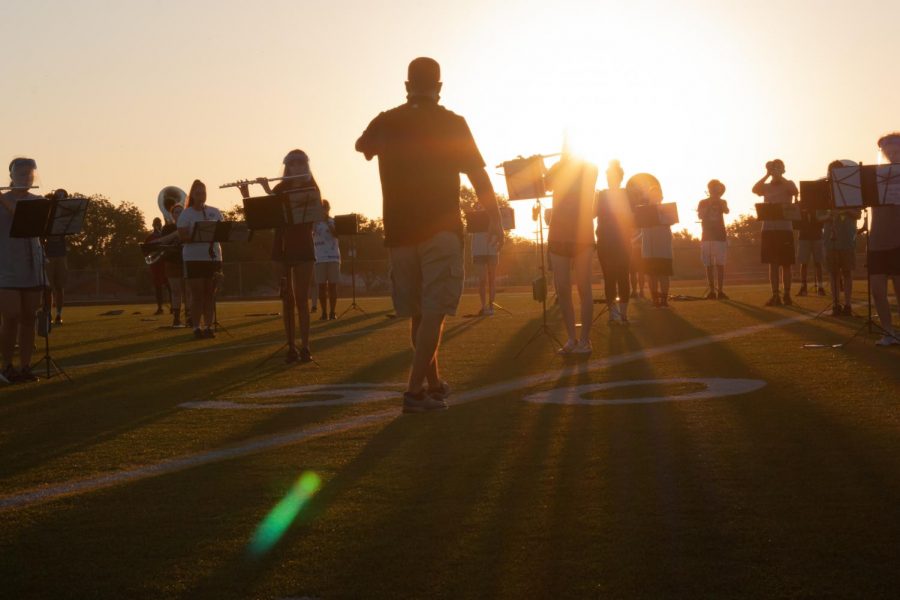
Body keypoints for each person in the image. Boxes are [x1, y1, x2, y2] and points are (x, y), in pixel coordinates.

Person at [356, 56, 503, 413]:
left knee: (419, 314)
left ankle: (433, 383)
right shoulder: (452, 123)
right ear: (439, 87)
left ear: (407, 86)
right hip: (440, 228)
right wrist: (495, 217)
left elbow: (362, 146)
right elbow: (477, 175)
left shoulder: (387, 120)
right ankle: (413, 392)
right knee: (434, 311)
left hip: (400, 230)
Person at [238, 149, 317, 363]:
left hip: (303, 247)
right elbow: (265, 216)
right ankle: (291, 346)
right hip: (281, 247)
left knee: (301, 299)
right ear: (287, 167)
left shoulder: (311, 187)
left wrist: (268, 190)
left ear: (305, 166)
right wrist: (248, 195)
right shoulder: (281, 187)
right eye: (293, 164)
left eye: (301, 163)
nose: (297, 167)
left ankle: (306, 346)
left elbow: (310, 214)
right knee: (287, 299)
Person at [545, 154, 598, 352]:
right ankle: (571, 339)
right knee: (563, 289)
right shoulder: (557, 169)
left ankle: (585, 340)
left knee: (584, 287)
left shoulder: (589, 167)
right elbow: (546, 183)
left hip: (582, 235)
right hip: (558, 235)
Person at [0, 158, 44, 383]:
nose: (26, 177)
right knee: (11, 316)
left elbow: (23, 219)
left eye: (30, 174)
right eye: (22, 173)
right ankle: (7, 366)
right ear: (12, 175)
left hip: (32, 266)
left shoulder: (37, 201)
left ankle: (25, 367)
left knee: (29, 316)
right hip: (6, 267)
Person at [177, 180, 222, 339]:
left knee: (210, 293)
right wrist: (197, 234)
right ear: (192, 195)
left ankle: (209, 326)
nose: (201, 195)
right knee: (197, 294)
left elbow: (222, 233)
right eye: (198, 193)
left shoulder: (215, 212)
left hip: (212, 257)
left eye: (203, 192)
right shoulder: (186, 214)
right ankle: (196, 327)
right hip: (194, 258)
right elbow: (183, 236)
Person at [752, 159, 798, 306]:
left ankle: (787, 295)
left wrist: (780, 176)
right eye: (774, 168)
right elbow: (754, 189)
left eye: (779, 168)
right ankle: (775, 295)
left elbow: (794, 191)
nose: (776, 170)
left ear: (784, 170)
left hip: (785, 229)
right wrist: (767, 174)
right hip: (768, 229)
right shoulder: (766, 186)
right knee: (772, 264)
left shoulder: (788, 183)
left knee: (786, 264)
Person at [870, 133, 900, 346]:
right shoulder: (874, 175)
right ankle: (888, 332)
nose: (890, 152)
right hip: (877, 238)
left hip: (898, 238)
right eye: (886, 150)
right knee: (878, 291)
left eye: (895, 149)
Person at [595, 160, 633, 324]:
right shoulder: (601, 194)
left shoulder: (627, 194)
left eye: (614, 176)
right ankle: (613, 313)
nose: (611, 179)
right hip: (605, 240)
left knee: (624, 277)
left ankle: (623, 313)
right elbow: (592, 214)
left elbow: (633, 216)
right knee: (609, 278)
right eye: (609, 176)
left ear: (620, 177)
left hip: (622, 240)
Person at [635, 175, 673, 307]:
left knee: (663, 274)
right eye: (653, 195)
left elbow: (671, 222)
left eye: (658, 195)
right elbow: (640, 228)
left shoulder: (667, 209)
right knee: (651, 275)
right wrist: (634, 240)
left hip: (663, 247)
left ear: (661, 197)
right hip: (648, 248)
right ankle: (655, 299)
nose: (655, 197)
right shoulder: (643, 210)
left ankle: (664, 299)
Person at [697, 179, 730, 299]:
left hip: (720, 236)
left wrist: (720, 202)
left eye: (718, 188)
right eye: (714, 188)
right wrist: (710, 203)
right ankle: (712, 291)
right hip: (707, 236)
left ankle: (720, 291)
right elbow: (700, 215)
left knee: (720, 264)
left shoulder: (722, 201)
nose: (716, 190)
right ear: (710, 189)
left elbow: (727, 211)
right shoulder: (703, 202)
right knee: (709, 265)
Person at [313, 199, 341, 321]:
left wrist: (328, 223)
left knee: (333, 286)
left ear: (328, 208)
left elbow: (337, 234)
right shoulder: (314, 223)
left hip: (333, 257)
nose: (323, 210)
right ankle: (324, 312)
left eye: (325, 207)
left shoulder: (333, 221)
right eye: (321, 208)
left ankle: (332, 312)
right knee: (321, 287)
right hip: (319, 258)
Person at [470, 204, 500, 316]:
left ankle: (491, 305)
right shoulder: (473, 216)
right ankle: (483, 307)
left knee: (492, 279)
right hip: (478, 250)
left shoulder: (494, 215)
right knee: (482, 280)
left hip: (492, 248)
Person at [795, 208, 826, 296]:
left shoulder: (817, 205)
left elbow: (822, 222)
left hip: (817, 236)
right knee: (804, 263)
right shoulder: (800, 205)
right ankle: (803, 287)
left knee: (818, 263)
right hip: (804, 236)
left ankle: (820, 287)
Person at [145, 217, 170, 316]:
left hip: (165, 264)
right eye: (156, 223)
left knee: (169, 286)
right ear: (152, 225)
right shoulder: (149, 238)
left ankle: (174, 307)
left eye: (159, 223)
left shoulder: (165, 236)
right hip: (155, 265)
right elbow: (145, 251)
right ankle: (160, 308)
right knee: (158, 287)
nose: (157, 225)